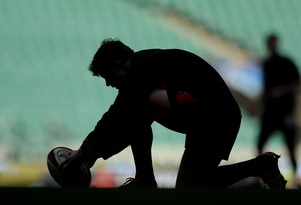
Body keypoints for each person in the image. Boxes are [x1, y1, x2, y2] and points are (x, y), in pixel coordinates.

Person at [58, 38, 287, 189]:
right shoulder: (148, 64)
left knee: (139, 106)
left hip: (212, 114)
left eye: (106, 75)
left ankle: (144, 180)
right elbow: (122, 121)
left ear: (118, 62)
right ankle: (258, 166)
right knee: (190, 187)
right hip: (218, 115)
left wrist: (85, 152)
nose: (108, 83)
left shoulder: (139, 70)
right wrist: (94, 153)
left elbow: (117, 116)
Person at [257, 33, 301, 185]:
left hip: (284, 112)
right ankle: (259, 175)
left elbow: (297, 84)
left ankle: (296, 177)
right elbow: (266, 89)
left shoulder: (287, 63)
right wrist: (257, 103)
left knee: (291, 146)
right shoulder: (267, 64)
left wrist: (280, 91)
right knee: (260, 143)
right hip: (271, 112)